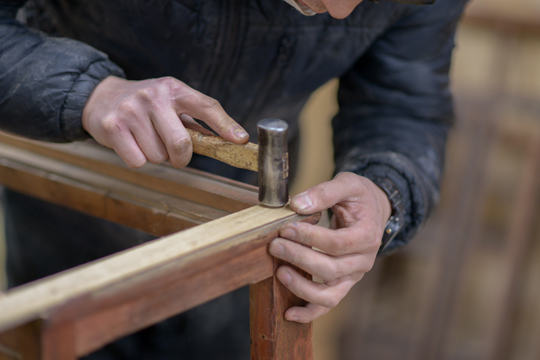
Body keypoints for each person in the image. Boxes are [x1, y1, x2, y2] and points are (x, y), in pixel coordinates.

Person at [0, 0, 468, 358]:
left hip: (241, 252)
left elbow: (403, 103)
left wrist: (385, 190)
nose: (343, 11)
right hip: (68, 221)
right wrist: (89, 92)